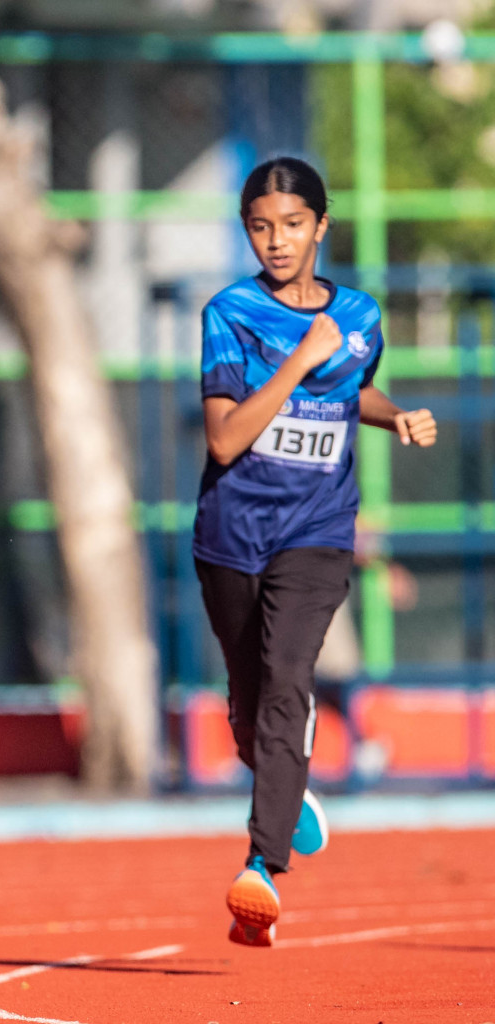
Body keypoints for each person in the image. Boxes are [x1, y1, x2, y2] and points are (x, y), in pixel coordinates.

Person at [195, 157, 436, 947]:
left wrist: (394, 413)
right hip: (233, 534)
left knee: (290, 681)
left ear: (321, 227)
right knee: (246, 696)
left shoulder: (360, 314)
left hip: (319, 529)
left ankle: (260, 869)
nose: (278, 241)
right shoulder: (229, 313)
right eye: (261, 227)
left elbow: (349, 390)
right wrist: (298, 358)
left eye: (293, 225)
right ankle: (285, 795)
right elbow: (226, 437)